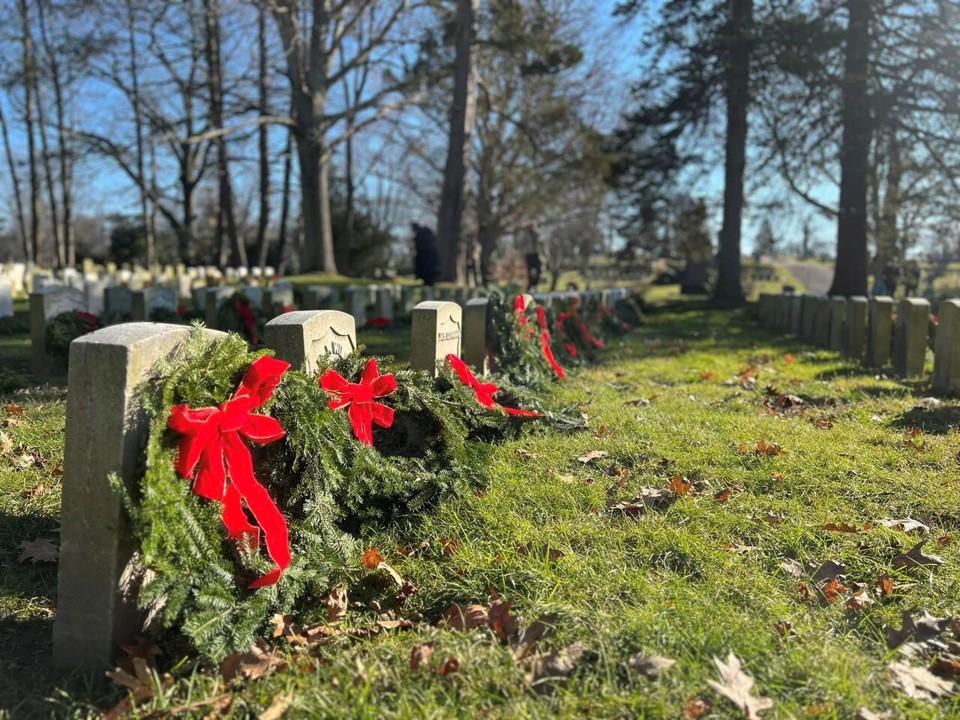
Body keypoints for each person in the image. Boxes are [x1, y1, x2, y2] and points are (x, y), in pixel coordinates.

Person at [519, 225, 542, 292]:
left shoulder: (536, 233)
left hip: (536, 254)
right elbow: (521, 244)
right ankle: (531, 286)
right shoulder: (525, 235)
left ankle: (535, 285)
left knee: (538, 270)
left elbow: (541, 241)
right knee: (530, 271)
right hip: (529, 255)